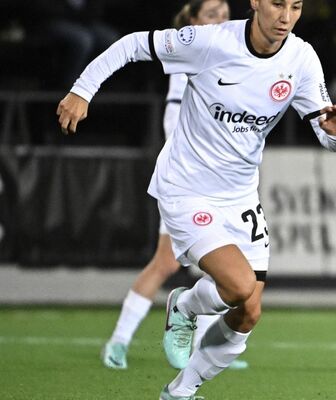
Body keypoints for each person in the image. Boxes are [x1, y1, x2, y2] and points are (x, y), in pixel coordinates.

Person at [57, 0, 336, 398]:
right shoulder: (210, 42)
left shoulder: (301, 58)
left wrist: (335, 134)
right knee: (238, 286)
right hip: (187, 188)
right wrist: (82, 90)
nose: (285, 17)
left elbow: (328, 135)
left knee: (249, 312)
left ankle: (179, 392)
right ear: (255, 3)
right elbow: (131, 45)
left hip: (241, 195)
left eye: (296, 7)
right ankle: (184, 307)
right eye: (277, 4)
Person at [99, 0, 252, 372]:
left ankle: (200, 348)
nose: (220, 18)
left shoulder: (225, 54)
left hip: (215, 183)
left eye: (224, 12)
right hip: (188, 182)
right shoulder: (192, 53)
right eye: (211, 13)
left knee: (211, 267)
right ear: (193, 20)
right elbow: (174, 121)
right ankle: (117, 342)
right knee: (165, 262)